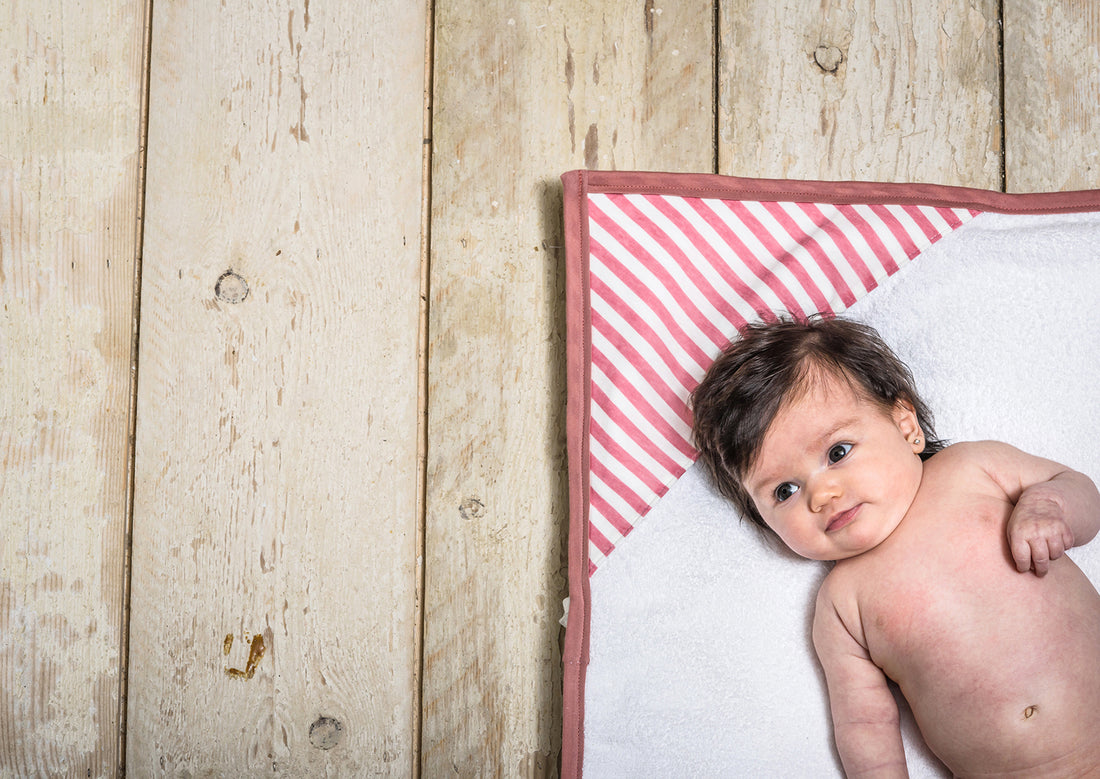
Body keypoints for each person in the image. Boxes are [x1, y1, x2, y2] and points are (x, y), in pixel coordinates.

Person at [690, 315, 1100, 778]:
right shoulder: (842, 604)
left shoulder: (973, 468)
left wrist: (1049, 508)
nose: (821, 495)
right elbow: (864, 722)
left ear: (906, 427)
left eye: (838, 452)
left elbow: (1080, 489)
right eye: (784, 490)